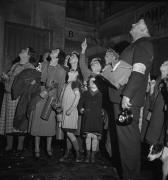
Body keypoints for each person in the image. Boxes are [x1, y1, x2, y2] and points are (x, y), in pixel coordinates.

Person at [114, 19, 154, 180]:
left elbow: (139, 71)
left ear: (143, 28)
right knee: (125, 143)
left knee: (128, 143)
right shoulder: (136, 45)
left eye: (136, 24)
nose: (132, 25)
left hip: (128, 101)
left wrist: (128, 95)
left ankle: (131, 177)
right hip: (123, 98)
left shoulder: (144, 44)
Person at [29, 48, 66, 159]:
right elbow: (38, 78)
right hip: (40, 95)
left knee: (49, 124)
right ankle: (36, 148)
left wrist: (59, 104)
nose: (53, 50)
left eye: (55, 51)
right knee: (37, 121)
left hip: (51, 98)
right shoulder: (43, 64)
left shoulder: (61, 71)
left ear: (58, 57)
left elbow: (61, 88)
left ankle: (48, 148)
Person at [0, 47, 38, 155]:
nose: (21, 50)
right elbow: (10, 79)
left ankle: (20, 146)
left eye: (24, 50)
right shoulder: (15, 65)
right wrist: (6, 78)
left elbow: (31, 83)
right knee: (8, 121)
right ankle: (9, 145)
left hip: (19, 97)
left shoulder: (30, 67)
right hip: (8, 95)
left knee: (19, 120)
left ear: (28, 55)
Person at [78, 76, 103, 163]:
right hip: (87, 117)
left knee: (95, 136)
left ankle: (93, 155)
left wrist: (103, 111)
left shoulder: (101, 94)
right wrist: (81, 109)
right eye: (91, 81)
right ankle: (87, 155)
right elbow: (80, 103)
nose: (92, 83)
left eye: (94, 81)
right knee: (88, 135)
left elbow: (105, 106)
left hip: (97, 118)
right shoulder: (85, 93)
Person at [60, 70, 81, 162]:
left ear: (76, 75)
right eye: (71, 71)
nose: (71, 71)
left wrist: (71, 109)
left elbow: (78, 96)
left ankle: (78, 155)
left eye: (74, 71)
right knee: (67, 134)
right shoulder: (67, 84)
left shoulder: (74, 83)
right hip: (65, 112)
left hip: (70, 113)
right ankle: (67, 153)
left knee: (69, 134)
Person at [145, 61, 168, 147]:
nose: (162, 64)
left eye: (165, 64)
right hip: (155, 111)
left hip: (162, 112)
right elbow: (152, 99)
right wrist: (151, 88)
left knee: (159, 137)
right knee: (152, 136)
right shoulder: (158, 78)